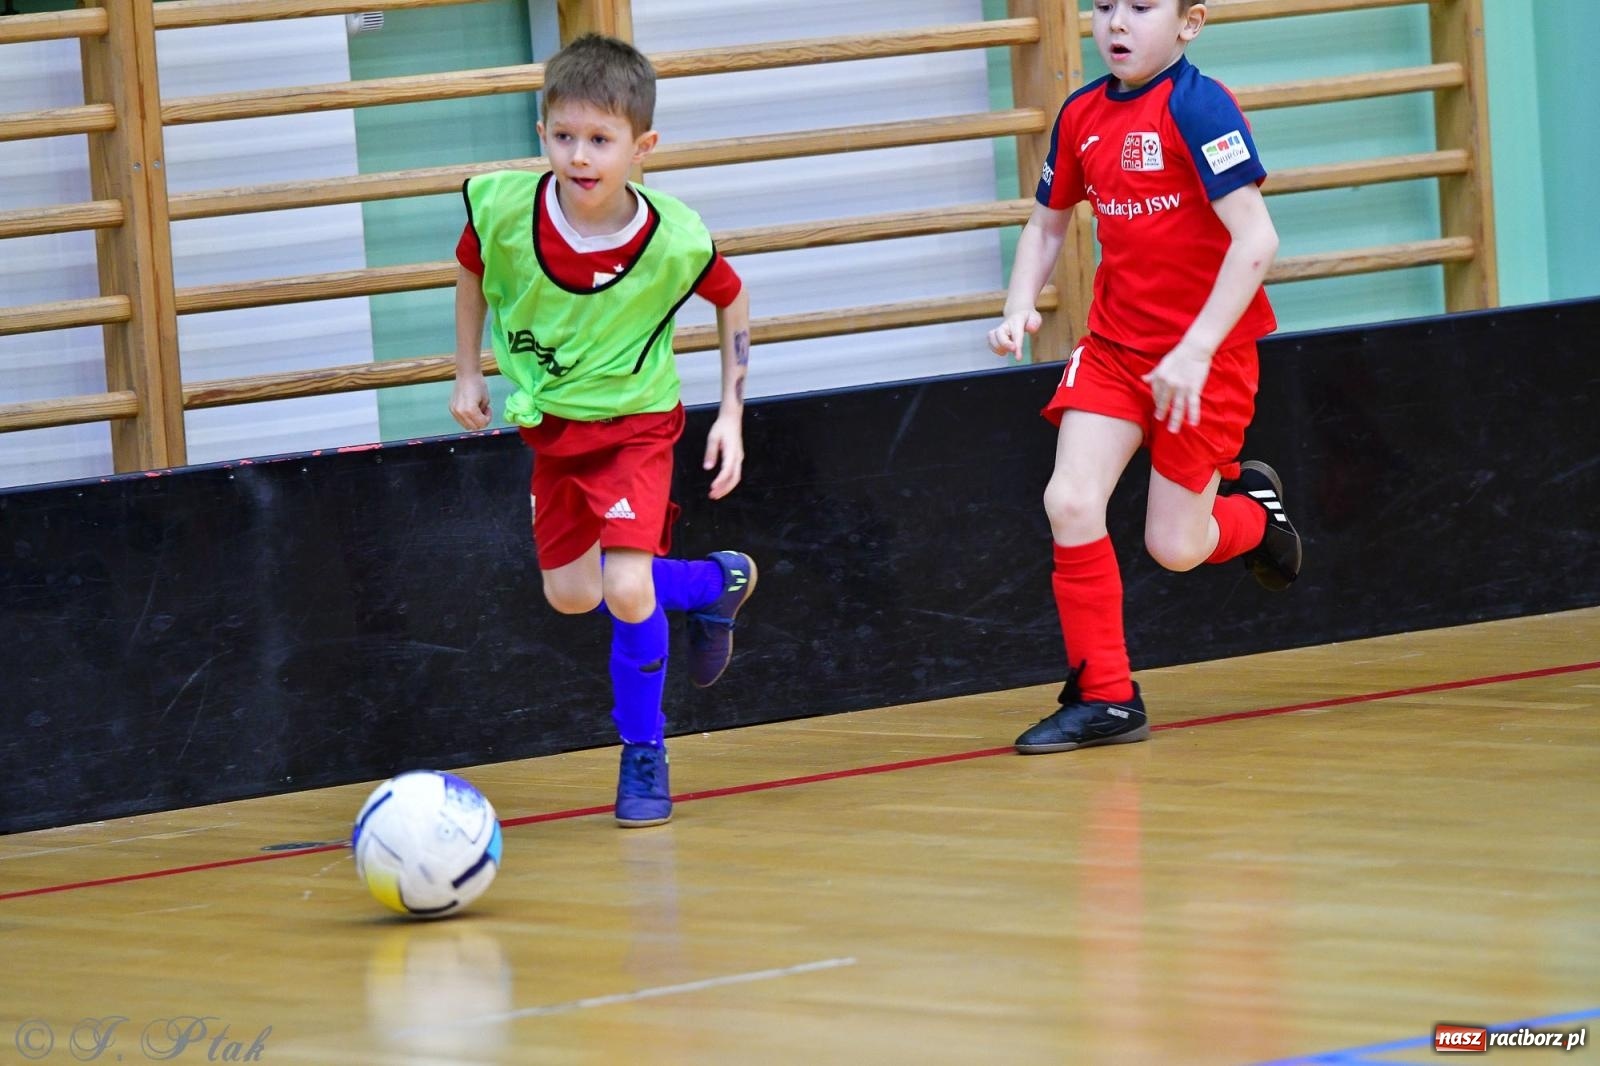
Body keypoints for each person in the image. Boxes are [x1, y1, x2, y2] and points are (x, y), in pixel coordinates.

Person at [449, 33, 756, 826]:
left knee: (623, 587)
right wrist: (467, 370)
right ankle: (711, 583)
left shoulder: (673, 239)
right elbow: (472, 268)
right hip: (554, 432)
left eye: (599, 139)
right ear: (542, 132)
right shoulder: (506, 210)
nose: (579, 156)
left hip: (635, 429)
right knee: (572, 593)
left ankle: (643, 754)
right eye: (563, 136)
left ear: (641, 147)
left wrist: (731, 411)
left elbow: (732, 299)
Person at [986, 0, 1301, 754]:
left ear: (1190, 24)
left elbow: (1256, 239)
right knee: (1069, 500)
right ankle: (1107, 697)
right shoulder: (1081, 114)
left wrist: (1195, 348)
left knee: (1176, 547)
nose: (1116, 23)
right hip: (1115, 350)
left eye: (1140, 7)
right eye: (1102, 6)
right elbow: (1047, 224)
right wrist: (1019, 302)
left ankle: (1256, 518)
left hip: (1207, 362)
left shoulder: (1199, 107)